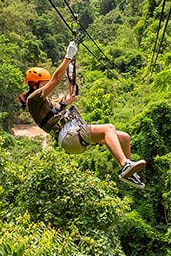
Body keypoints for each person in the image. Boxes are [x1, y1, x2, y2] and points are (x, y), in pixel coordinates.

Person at [18, 41, 146, 188]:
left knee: (124, 138)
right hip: (70, 136)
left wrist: (67, 101)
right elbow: (56, 79)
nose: (47, 86)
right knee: (108, 128)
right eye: (44, 83)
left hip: (73, 136)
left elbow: (56, 110)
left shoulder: (46, 103)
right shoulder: (33, 99)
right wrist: (67, 57)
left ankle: (130, 173)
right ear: (35, 84)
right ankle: (125, 165)